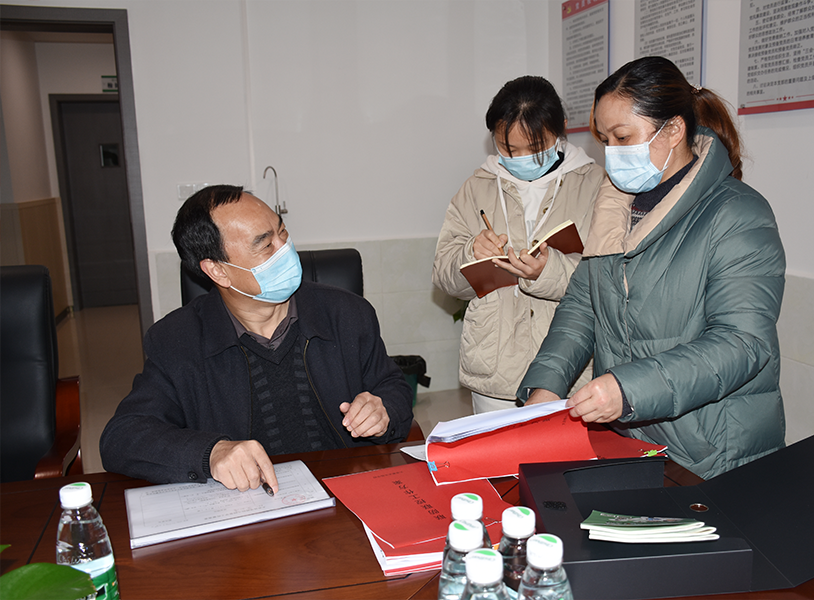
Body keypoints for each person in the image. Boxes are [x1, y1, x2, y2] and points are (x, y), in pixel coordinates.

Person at [518, 57, 786, 480]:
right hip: (632, 437)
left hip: (712, 449)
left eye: (623, 137)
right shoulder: (615, 207)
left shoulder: (737, 214)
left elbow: (743, 342)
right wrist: (547, 386)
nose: (612, 153)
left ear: (674, 129)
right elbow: (583, 305)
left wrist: (628, 389)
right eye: (604, 139)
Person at [100, 185, 413, 492]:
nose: (286, 249)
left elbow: (392, 387)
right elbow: (122, 437)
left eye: (283, 233)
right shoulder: (177, 341)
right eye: (265, 245)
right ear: (218, 271)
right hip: (247, 504)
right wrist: (211, 453)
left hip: (344, 490)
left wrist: (383, 410)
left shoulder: (346, 314)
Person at [433, 75, 604, 414]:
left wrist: (548, 271)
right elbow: (443, 276)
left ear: (561, 128)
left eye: (535, 148)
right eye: (509, 149)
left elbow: (610, 277)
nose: (522, 157)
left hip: (572, 373)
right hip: (495, 372)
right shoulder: (477, 188)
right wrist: (470, 252)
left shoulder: (596, 185)